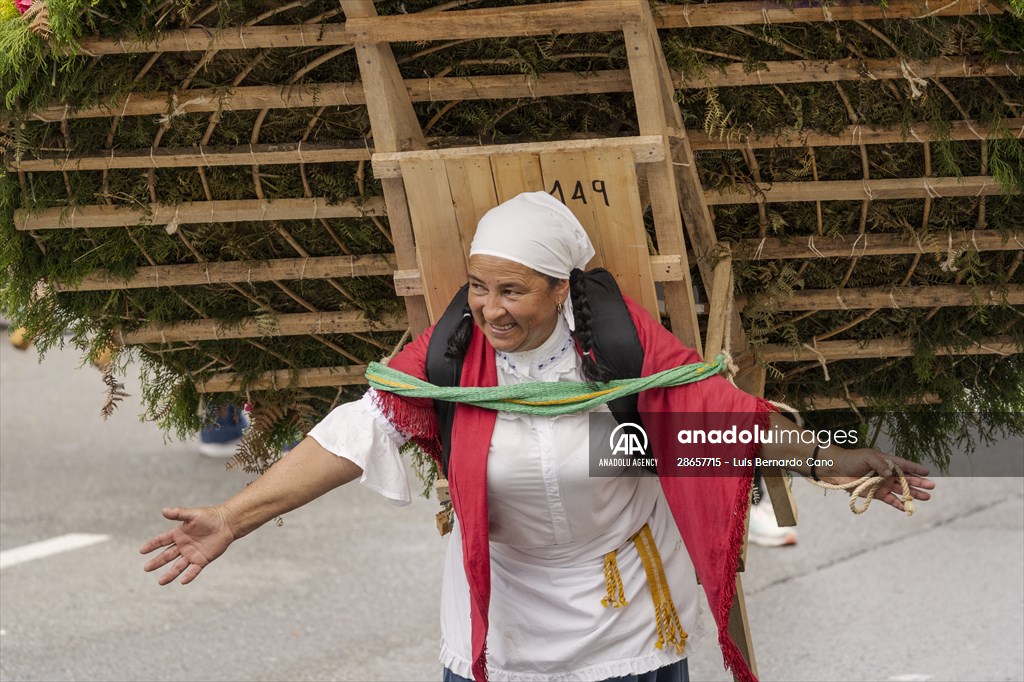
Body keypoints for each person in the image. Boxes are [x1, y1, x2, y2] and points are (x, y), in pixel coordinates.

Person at [141, 192, 934, 682]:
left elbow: (725, 429)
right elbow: (358, 430)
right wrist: (233, 519)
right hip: (504, 617)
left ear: (563, 288)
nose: (491, 309)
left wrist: (846, 458)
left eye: (513, 291)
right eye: (479, 288)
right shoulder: (451, 359)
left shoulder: (627, 355)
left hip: (623, 616)